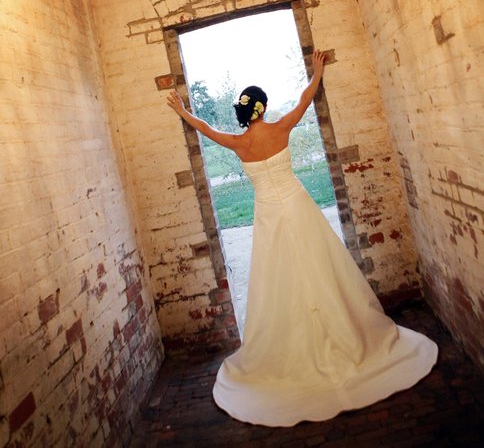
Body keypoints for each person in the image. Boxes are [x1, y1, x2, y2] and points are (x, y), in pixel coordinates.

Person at [167, 50, 438, 427]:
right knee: (320, 268)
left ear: (246, 112)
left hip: (270, 215)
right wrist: (317, 70)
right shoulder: (280, 129)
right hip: (297, 205)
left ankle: (290, 351)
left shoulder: (237, 142)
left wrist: (181, 109)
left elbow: (205, 130)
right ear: (262, 108)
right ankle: (346, 336)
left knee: (280, 279)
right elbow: (305, 98)